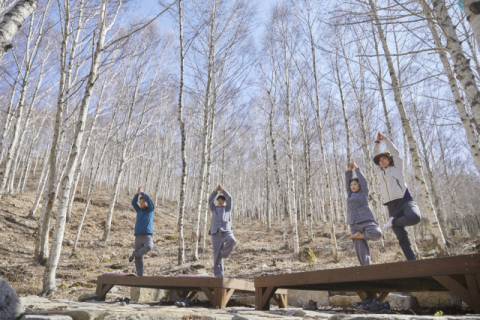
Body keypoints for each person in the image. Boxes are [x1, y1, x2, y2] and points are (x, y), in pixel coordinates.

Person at [374, 132, 421, 260]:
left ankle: (393, 222)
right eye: (380, 160)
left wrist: (386, 140)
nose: (382, 161)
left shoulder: (397, 168)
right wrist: (377, 143)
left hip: (405, 200)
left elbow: (395, 153)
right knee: (402, 238)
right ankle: (413, 262)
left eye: (384, 159)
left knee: (415, 217)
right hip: (391, 206)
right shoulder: (379, 173)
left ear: (390, 160)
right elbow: (374, 155)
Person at [345, 160, 383, 266]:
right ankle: (366, 269)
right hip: (353, 223)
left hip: (366, 220)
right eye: (351, 185)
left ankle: (360, 236)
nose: (352, 186)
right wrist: (349, 171)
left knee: (377, 234)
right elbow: (347, 183)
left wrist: (356, 169)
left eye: (355, 184)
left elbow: (364, 181)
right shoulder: (350, 194)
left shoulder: (364, 193)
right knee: (361, 250)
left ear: (359, 186)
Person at [208, 184, 236, 278]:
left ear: (224, 202)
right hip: (216, 233)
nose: (220, 202)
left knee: (232, 240)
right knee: (216, 257)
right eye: (218, 200)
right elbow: (210, 200)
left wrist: (222, 190)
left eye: (222, 201)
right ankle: (218, 277)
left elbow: (230, 198)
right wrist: (215, 191)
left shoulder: (228, 209)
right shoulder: (214, 209)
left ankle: (222, 254)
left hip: (226, 232)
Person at [129, 186, 155, 276]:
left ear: (146, 203)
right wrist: (137, 194)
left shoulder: (150, 210)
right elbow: (133, 202)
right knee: (138, 258)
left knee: (149, 246)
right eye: (140, 202)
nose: (141, 203)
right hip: (138, 236)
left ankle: (134, 254)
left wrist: (142, 193)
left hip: (147, 235)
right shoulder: (139, 211)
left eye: (143, 202)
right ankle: (140, 275)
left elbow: (150, 200)